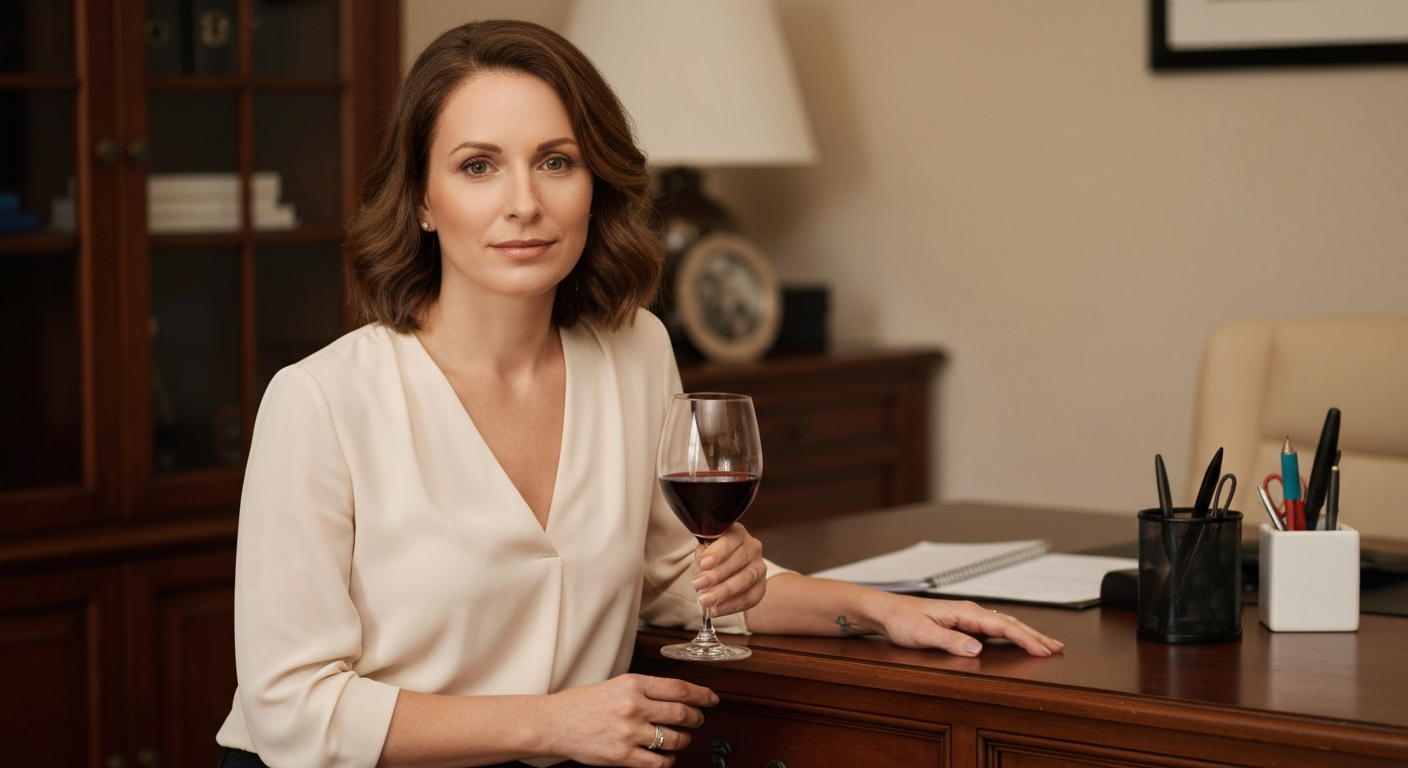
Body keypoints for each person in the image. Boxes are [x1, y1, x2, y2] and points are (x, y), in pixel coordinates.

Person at [214, 20, 1063, 768]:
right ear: (423, 201)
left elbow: (670, 581)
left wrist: (879, 613)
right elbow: (293, 710)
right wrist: (549, 725)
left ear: (597, 184)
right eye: (478, 166)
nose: (524, 203)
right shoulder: (321, 400)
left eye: (556, 162)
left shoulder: (634, 351)